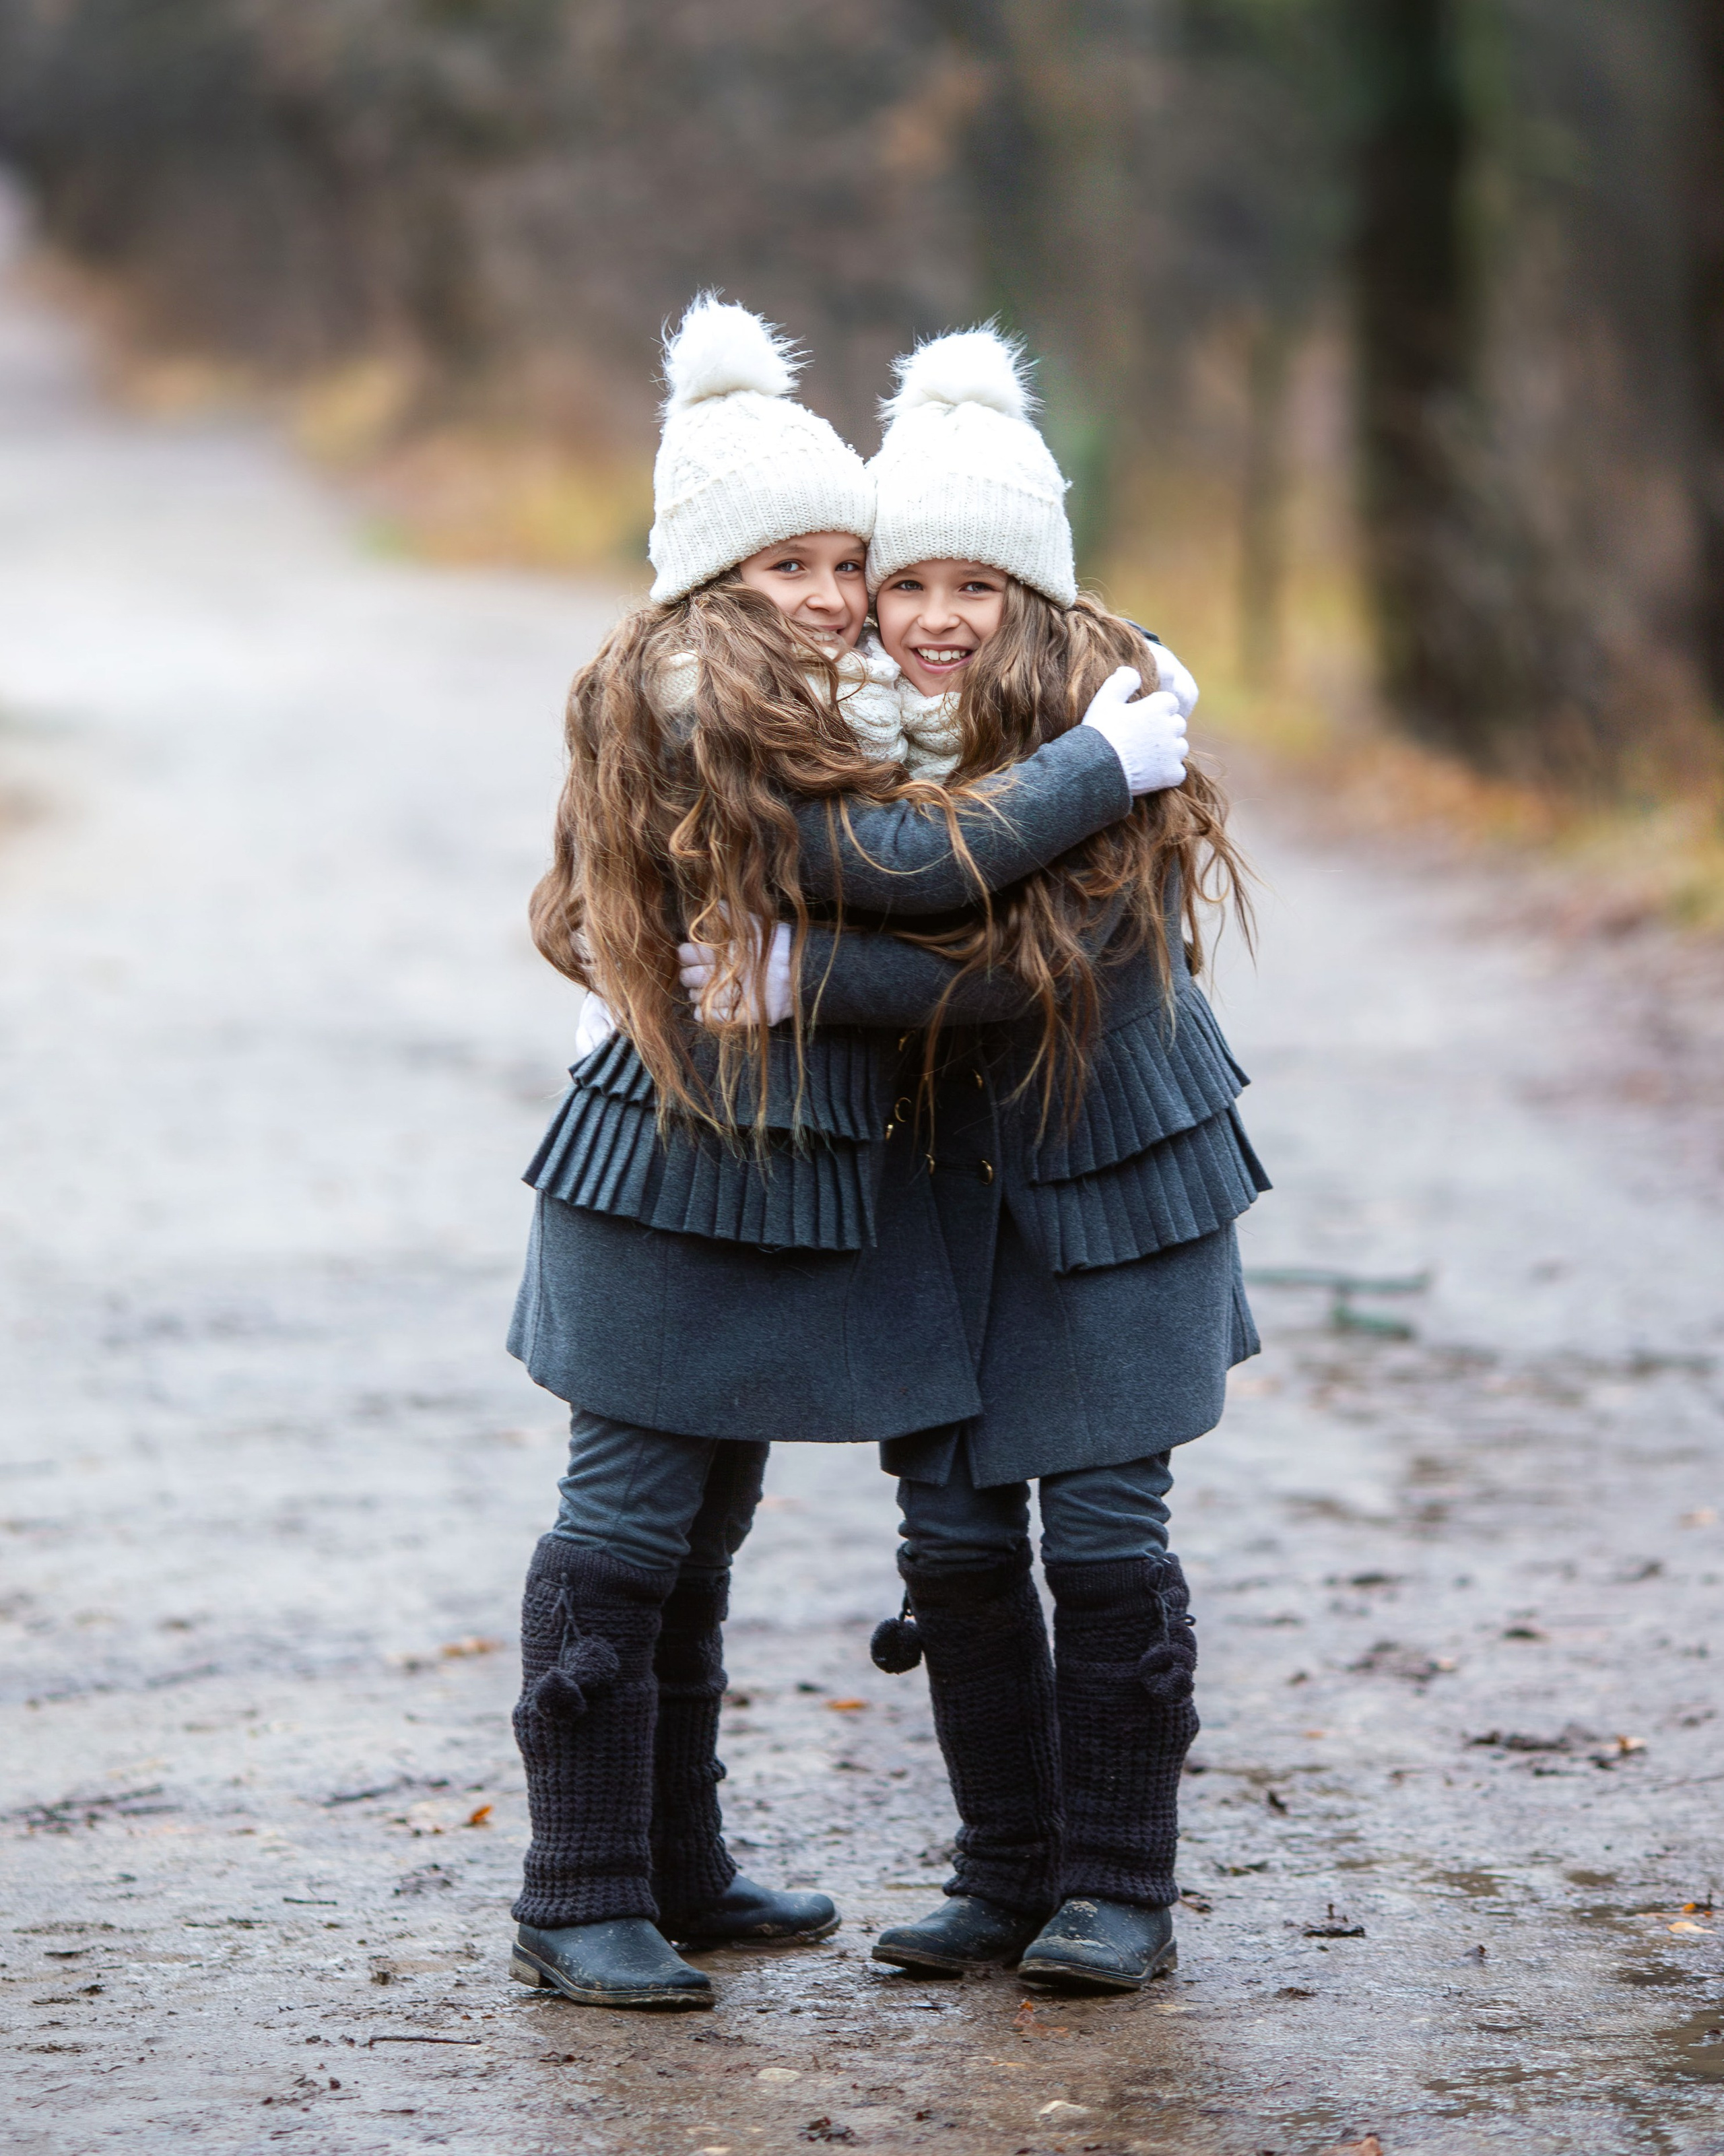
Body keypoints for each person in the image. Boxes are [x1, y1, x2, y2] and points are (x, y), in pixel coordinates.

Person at [505, 300, 1193, 2009]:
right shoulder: (703, 710)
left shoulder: (929, 704)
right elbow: (885, 861)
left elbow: (1064, 946)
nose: (844, 599)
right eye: (806, 568)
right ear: (704, 576)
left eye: (849, 561)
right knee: (652, 1509)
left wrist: (820, 966)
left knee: (754, 1512)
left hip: (1022, 1158)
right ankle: (582, 1886)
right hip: (680, 1154)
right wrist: (1091, 772)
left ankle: (1003, 1880)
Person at [679, 327, 1266, 1996]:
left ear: (1036, 598)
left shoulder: (1119, 733)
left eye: (977, 586)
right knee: (947, 1533)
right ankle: (1003, 1871)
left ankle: (1117, 1886)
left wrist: (802, 973)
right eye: (906, 580)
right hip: (936, 1186)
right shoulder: (839, 740)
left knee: (1097, 1526)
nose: (934, 616)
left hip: (1110, 1168)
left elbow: (1037, 967)